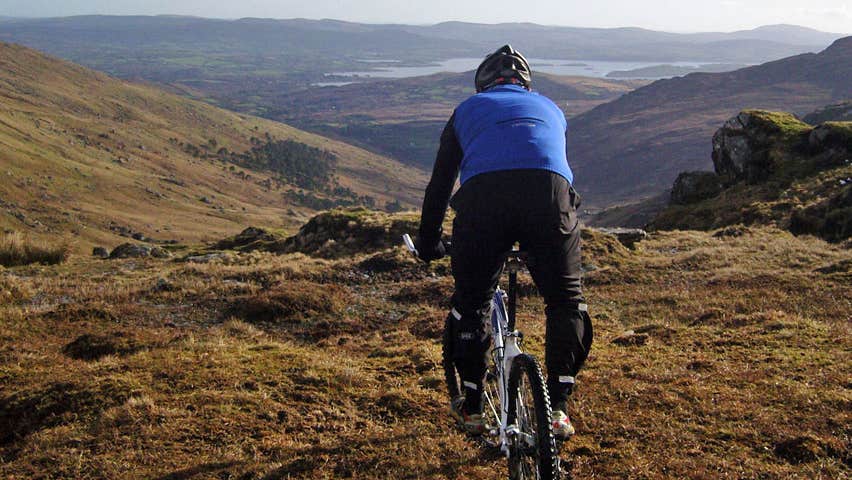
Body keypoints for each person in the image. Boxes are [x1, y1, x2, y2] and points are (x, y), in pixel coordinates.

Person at [415, 45, 593, 439]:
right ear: (525, 85)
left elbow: (440, 185)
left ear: (484, 84)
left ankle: (475, 405)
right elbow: (554, 168)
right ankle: (559, 407)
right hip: (549, 200)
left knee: (472, 303)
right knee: (566, 300)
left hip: (484, 204)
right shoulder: (551, 108)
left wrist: (429, 244)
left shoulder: (467, 110)